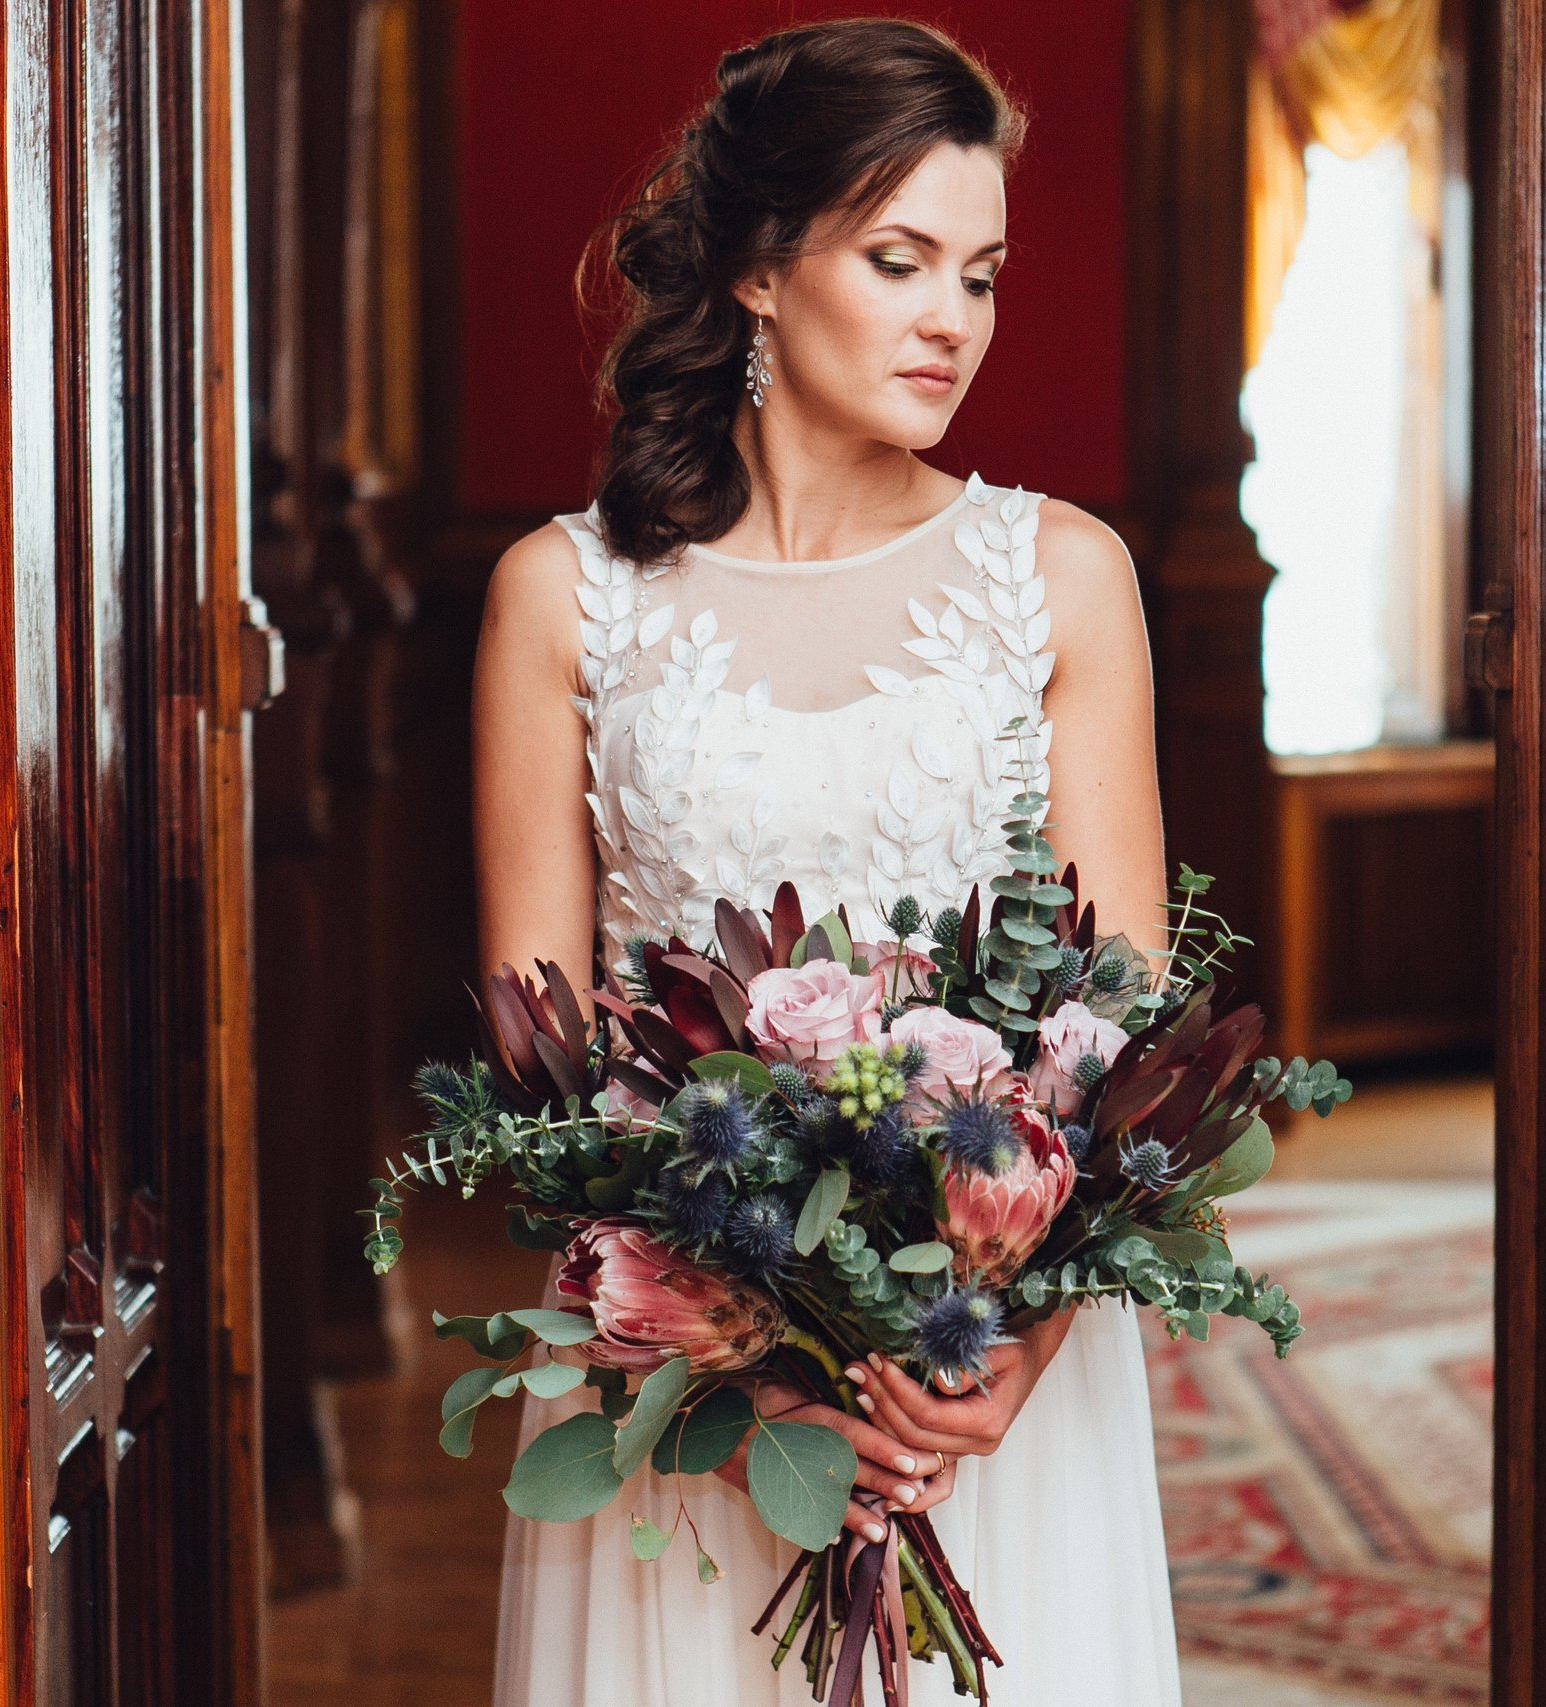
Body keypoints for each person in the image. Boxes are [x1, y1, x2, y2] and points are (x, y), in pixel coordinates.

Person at [469, 18, 1181, 1704]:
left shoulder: (1062, 580)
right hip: (679, 1392)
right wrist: (721, 1386)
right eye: (901, 258)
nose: (955, 319)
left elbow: (1127, 1049)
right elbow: (542, 1080)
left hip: (987, 1395)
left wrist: (1004, 1359)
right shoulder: (561, 600)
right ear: (762, 272)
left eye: (984, 275)